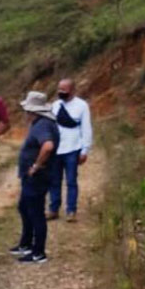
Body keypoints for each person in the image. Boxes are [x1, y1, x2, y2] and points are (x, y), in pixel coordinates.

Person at [11, 92, 59, 264]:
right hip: (34, 177)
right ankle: (26, 243)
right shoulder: (42, 124)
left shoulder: (42, 125)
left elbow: (48, 146)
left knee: (35, 212)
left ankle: (38, 251)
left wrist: (36, 166)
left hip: (37, 177)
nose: (25, 114)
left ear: (33, 111)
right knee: (24, 208)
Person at [47, 79, 92, 222]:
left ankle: (71, 210)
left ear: (72, 90)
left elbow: (86, 128)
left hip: (73, 148)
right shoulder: (55, 105)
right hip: (56, 149)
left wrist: (85, 150)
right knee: (54, 181)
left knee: (71, 181)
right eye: (59, 89)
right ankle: (54, 209)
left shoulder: (82, 106)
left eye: (64, 90)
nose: (60, 92)